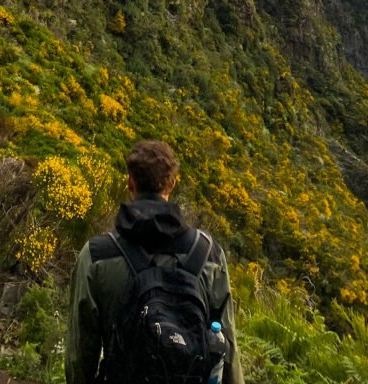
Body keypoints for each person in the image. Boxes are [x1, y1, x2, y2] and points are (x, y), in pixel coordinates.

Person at [65, 139, 244, 384]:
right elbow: (228, 346)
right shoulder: (209, 255)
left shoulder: (97, 256)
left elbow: (80, 353)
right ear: (172, 183)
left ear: (130, 182)